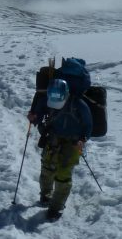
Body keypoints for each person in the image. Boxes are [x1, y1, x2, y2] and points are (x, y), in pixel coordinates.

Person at [28, 76, 92, 221]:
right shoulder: (46, 99)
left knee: (63, 173)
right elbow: (38, 115)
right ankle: (46, 195)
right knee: (47, 167)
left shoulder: (79, 104)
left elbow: (88, 125)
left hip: (73, 142)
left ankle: (56, 207)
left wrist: (82, 139)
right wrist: (33, 117)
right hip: (53, 137)